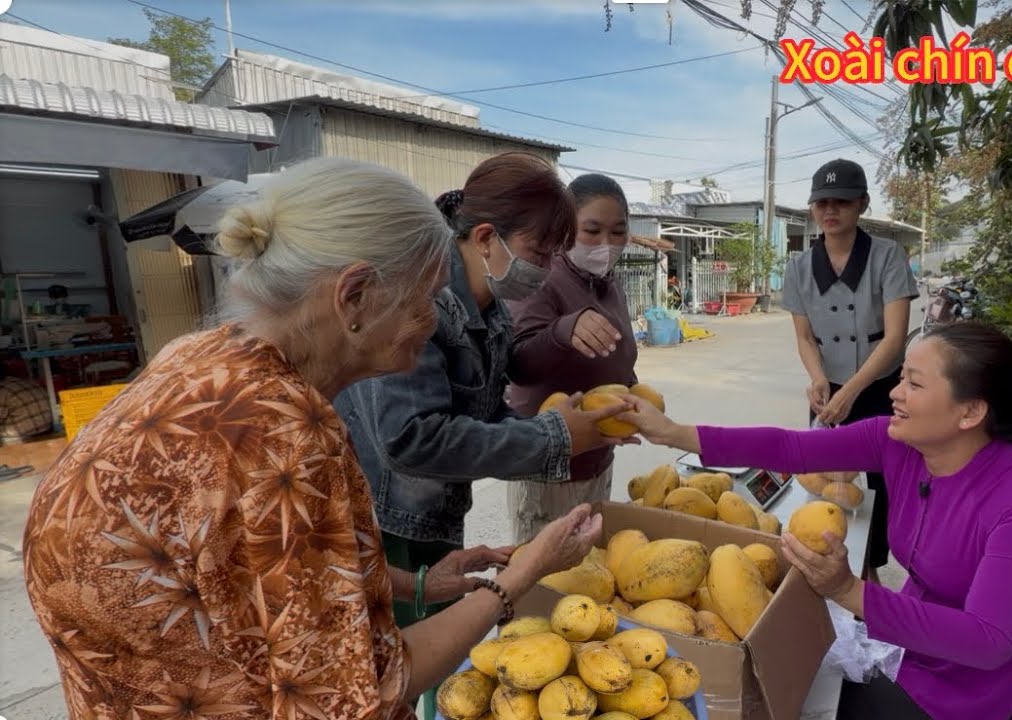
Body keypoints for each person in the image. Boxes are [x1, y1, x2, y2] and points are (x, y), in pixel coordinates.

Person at [21, 157, 604, 720]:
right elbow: (361, 695)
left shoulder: (204, 355)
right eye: (426, 299)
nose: (435, 320)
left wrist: (415, 583)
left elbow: (255, 570)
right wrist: (517, 580)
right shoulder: (283, 438)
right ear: (353, 296)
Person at [616, 322, 1012, 720]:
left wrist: (847, 590)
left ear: (971, 411)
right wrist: (674, 432)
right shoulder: (898, 442)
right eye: (901, 379)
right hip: (922, 652)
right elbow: (790, 448)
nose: (895, 394)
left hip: (1003, 691)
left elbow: (988, 640)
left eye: (915, 385)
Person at [332, 153, 628, 712]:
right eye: (540, 251)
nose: (544, 267)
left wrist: (563, 432)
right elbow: (412, 438)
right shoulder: (422, 299)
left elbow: (483, 417)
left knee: (437, 653)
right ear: (488, 237)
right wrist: (555, 439)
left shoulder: (489, 306)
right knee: (388, 667)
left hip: (436, 511)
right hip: (389, 521)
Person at [780, 158, 918, 584]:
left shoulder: (887, 256)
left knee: (881, 485)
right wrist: (819, 379)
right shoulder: (800, 267)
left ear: (862, 204)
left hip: (879, 390)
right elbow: (805, 337)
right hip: (828, 391)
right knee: (824, 485)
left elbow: (895, 338)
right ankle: (823, 568)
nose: (830, 210)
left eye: (842, 201)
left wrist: (852, 390)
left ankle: (871, 570)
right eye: (821, 202)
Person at [505, 173, 638, 544]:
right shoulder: (542, 279)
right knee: (542, 584)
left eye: (618, 232)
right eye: (592, 230)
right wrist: (563, 330)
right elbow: (518, 363)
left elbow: (619, 360)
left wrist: (634, 396)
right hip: (548, 467)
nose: (606, 244)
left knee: (589, 573)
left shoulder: (611, 286)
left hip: (598, 459)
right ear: (565, 228)